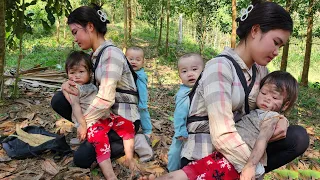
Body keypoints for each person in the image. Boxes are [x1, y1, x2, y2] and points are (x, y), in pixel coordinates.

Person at [180, 0, 308, 176]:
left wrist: (280, 120)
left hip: (245, 146)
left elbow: (265, 112)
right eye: (275, 42)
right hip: (208, 153)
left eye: (281, 46)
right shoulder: (219, 68)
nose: (277, 51)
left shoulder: (261, 71)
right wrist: (253, 169)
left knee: (297, 137)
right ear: (255, 31)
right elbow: (222, 135)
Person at [140, 70, 300, 180]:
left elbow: (262, 139)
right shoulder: (255, 110)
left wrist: (250, 166)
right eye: (264, 93)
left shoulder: (271, 117)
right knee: (185, 173)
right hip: (221, 155)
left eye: (274, 98)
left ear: (285, 106)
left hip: (236, 163)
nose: (266, 99)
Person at [51, 4, 141, 169]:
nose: (75, 38)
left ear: (90, 27)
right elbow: (84, 86)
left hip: (120, 117)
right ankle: (96, 136)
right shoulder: (94, 56)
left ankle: (125, 141)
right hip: (103, 115)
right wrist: (67, 85)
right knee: (59, 99)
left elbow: (106, 99)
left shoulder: (111, 54)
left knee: (81, 159)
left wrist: (83, 123)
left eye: (75, 32)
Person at [64, 51, 136, 179]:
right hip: (91, 122)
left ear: (90, 73)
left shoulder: (91, 83)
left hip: (106, 117)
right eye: (72, 73)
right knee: (101, 143)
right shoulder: (73, 88)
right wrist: (82, 125)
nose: (77, 76)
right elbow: (75, 106)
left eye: (81, 72)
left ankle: (129, 158)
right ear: (67, 74)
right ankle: (110, 176)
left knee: (128, 126)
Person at [167, 53, 204, 172]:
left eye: (194, 69)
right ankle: (172, 172)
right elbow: (179, 114)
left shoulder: (204, 88)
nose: (190, 73)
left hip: (200, 130)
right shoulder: (183, 93)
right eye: (184, 71)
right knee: (175, 152)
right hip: (183, 130)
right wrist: (180, 130)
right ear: (179, 76)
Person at [126, 46, 154, 162]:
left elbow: (142, 90)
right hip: (132, 101)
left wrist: (142, 103)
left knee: (143, 114)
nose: (134, 62)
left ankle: (148, 131)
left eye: (137, 60)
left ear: (143, 62)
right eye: (130, 59)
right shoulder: (129, 72)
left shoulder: (140, 75)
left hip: (140, 101)